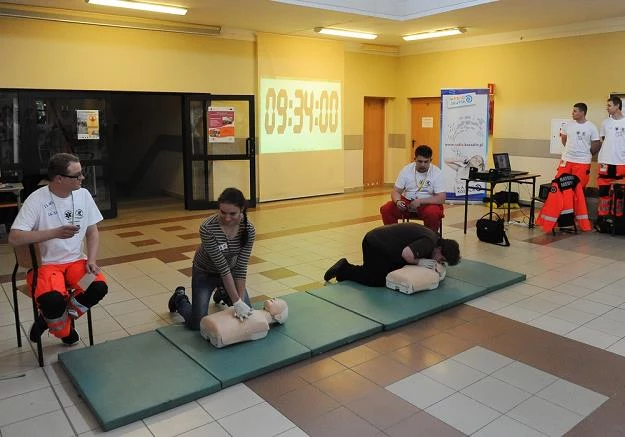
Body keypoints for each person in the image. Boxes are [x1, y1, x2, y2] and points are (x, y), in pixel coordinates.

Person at [8, 153, 108, 345]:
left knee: (97, 287)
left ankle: (51, 320)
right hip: (46, 266)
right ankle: (64, 330)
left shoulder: (83, 195)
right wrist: (53, 233)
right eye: (77, 175)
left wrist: (92, 260)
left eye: (82, 173)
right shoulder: (36, 200)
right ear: (59, 179)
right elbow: (14, 237)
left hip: (77, 263)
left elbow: (92, 231)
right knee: (53, 302)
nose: (82, 178)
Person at [168, 187, 255, 330]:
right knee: (198, 324)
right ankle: (179, 299)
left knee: (247, 313)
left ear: (242, 210)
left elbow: (240, 268)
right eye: (223, 212)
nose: (227, 218)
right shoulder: (207, 228)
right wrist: (236, 302)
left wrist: (239, 301)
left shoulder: (249, 230)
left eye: (232, 213)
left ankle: (222, 292)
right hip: (205, 273)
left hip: (232, 272)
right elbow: (223, 268)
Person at [323, 222, 460, 287]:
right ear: (439, 249)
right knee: (377, 279)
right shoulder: (429, 243)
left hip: (386, 245)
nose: (439, 262)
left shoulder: (435, 239)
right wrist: (420, 262)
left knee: (394, 272)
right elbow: (407, 255)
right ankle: (344, 268)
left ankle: (351, 270)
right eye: (441, 259)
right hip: (375, 243)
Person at [380, 145, 445, 233]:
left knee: (433, 213)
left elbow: (441, 198)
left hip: (428, 203)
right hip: (407, 201)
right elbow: (396, 191)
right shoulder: (406, 170)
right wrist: (398, 201)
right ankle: (393, 236)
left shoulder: (437, 172)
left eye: (426, 162)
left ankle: (430, 239)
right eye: (420, 161)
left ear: (431, 160)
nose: (423, 165)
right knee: (386, 209)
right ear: (414, 159)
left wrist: (420, 201)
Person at [200, 298, 288, 348]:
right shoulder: (256, 313)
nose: (275, 299)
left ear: (278, 316)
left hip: (217, 330)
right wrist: (238, 303)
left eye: (278, 302)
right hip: (213, 327)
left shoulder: (263, 324)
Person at [557, 102, 601, 188]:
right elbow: (564, 139)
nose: (572, 113)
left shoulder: (591, 127)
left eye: (575, 111)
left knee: (579, 186)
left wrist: (585, 153)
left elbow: (596, 144)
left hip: (582, 161)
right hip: (567, 159)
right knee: (561, 184)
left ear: (582, 112)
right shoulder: (568, 125)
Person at [596, 96, 625, 222]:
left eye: (609, 105)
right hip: (605, 162)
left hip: (621, 162)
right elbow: (603, 140)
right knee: (603, 191)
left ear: (617, 106)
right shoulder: (605, 123)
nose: (606, 108)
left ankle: (617, 219)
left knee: (619, 193)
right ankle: (602, 219)